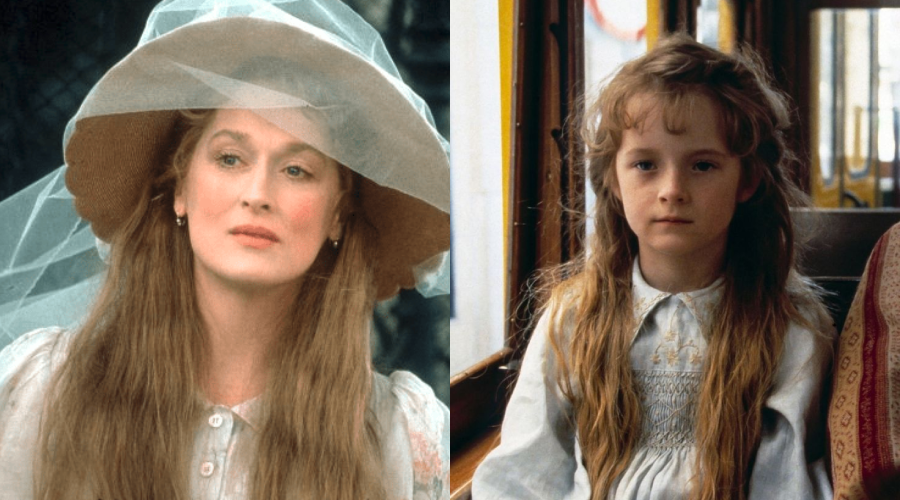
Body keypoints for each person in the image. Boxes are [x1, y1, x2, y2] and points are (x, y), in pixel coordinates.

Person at [0, 1, 450, 499]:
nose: (257, 193)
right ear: (180, 188)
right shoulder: (42, 393)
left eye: (296, 169)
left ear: (338, 214)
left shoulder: (398, 437)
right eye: (230, 158)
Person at [472, 34, 833, 500]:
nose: (672, 189)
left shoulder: (790, 326)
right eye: (645, 164)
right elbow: (523, 473)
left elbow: (785, 485)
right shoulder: (573, 317)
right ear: (613, 182)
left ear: (746, 180)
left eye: (702, 166)